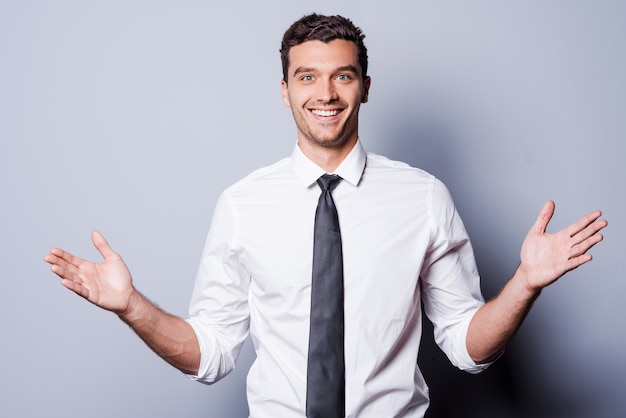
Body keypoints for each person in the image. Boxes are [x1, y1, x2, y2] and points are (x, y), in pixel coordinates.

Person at [44, 13, 607, 418]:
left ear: (365, 88)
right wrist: (130, 307)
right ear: (285, 91)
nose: (326, 93)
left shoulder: (423, 198)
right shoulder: (243, 205)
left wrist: (526, 284)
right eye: (307, 76)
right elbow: (211, 353)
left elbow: (466, 346)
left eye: (343, 75)